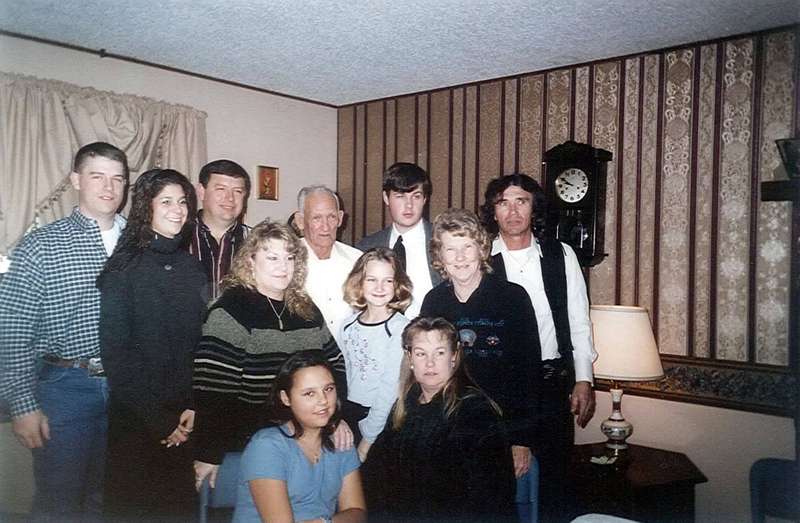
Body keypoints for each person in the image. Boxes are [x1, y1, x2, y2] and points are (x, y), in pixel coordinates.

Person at [0, 142, 128, 519]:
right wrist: (23, 405)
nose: (109, 187)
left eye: (118, 178)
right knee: (59, 501)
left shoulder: (137, 244)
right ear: (76, 180)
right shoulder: (40, 245)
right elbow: (12, 331)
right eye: (97, 176)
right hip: (65, 388)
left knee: (110, 498)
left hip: (126, 388)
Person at [192, 221, 350, 491]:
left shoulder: (306, 309)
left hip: (310, 437)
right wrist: (209, 453)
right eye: (272, 257)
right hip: (251, 443)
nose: (283, 266)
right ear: (251, 261)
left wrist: (334, 418)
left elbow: (335, 366)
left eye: (289, 258)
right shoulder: (230, 310)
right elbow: (213, 390)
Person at [481, 173, 597, 523]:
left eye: (522, 201)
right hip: (500, 390)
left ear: (534, 208)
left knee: (555, 485)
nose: (513, 211)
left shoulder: (560, 255)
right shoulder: (482, 259)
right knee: (502, 485)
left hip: (551, 386)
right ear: (493, 211)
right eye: (503, 203)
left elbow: (579, 320)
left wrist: (583, 379)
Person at [97, 168, 207, 520]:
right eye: (166, 202)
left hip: (184, 415)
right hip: (138, 418)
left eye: (183, 201)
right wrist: (160, 421)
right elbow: (116, 356)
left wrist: (192, 405)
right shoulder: (123, 268)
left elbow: (199, 346)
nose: (178, 210)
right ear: (147, 208)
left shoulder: (192, 267)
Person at [419, 208, 542, 480]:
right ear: (440, 256)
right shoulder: (433, 302)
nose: (460, 257)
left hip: (498, 432)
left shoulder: (513, 298)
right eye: (451, 249)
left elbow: (528, 373)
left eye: (467, 247)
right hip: (447, 430)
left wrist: (521, 439)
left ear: (482, 249)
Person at [362, 316, 516, 522]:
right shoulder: (404, 406)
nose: (430, 363)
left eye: (440, 353)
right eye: (421, 353)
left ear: (454, 356)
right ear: (409, 358)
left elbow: (491, 500)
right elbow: (374, 475)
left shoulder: (476, 412)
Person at [234, 350, 366, 523]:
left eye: (328, 389)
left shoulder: (341, 441)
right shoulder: (267, 446)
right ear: (286, 398)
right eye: (309, 393)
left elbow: (357, 512)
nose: (323, 400)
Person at [339, 247, 412, 461]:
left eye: (387, 281)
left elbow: (390, 389)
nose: (379, 287)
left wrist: (367, 441)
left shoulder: (400, 328)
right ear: (359, 282)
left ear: (397, 284)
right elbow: (342, 375)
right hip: (348, 416)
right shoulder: (347, 325)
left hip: (381, 420)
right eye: (371, 280)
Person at [356, 163, 442, 318]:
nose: (409, 205)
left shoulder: (443, 241)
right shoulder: (366, 247)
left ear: (425, 199)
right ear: (386, 198)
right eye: (400, 196)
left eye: (416, 196)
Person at [295, 185, 362, 343]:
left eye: (331, 217)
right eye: (317, 218)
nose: (325, 227)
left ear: (340, 218)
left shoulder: (358, 260)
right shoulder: (286, 261)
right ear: (300, 221)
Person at [184, 159, 252, 299]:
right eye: (221, 189)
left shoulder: (256, 242)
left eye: (237, 191)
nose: (230, 198)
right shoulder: (179, 237)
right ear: (201, 192)